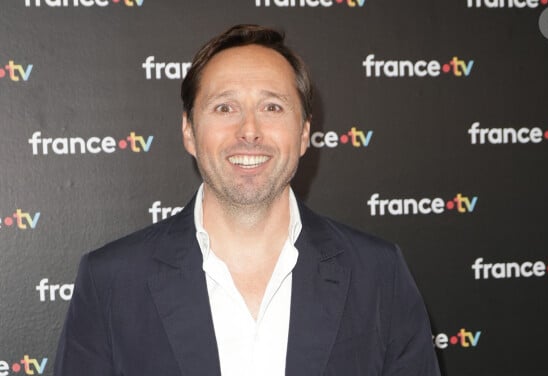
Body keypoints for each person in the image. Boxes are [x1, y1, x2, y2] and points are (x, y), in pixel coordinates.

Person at [54, 24, 440, 376]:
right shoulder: (110, 281)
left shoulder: (378, 274)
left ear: (305, 133)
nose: (249, 130)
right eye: (225, 107)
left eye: (272, 107)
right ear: (189, 131)